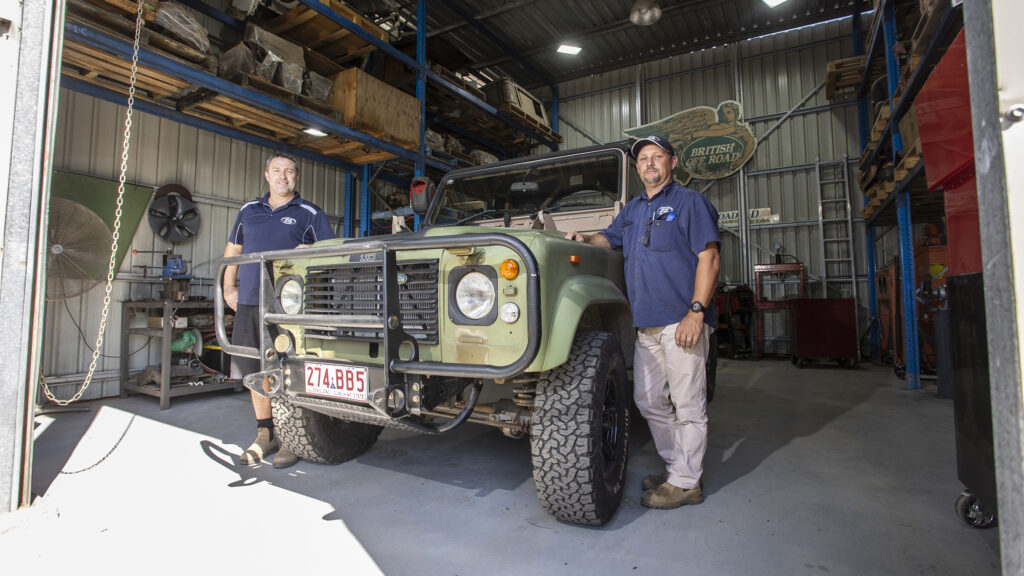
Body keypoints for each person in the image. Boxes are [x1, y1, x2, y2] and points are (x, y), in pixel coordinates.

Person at [565, 135, 721, 509]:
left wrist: (695, 312)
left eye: (657, 157)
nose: (650, 164)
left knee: (688, 406)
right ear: (637, 168)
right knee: (648, 400)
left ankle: (687, 483)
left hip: (681, 321)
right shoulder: (633, 209)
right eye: (643, 159)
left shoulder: (690, 203)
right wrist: (584, 237)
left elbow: (710, 258)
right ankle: (676, 468)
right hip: (646, 324)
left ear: (672, 162)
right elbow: (608, 239)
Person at [223, 152, 334, 468]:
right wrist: (228, 286)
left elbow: (333, 250)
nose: (282, 176)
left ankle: (290, 437)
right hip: (248, 301)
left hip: (288, 308)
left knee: (288, 369)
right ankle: (264, 434)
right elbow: (234, 249)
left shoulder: (309, 213)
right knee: (254, 371)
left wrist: (312, 248)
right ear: (266, 175)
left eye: (288, 171)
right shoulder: (248, 211)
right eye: (277, 170)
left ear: (295, 177)